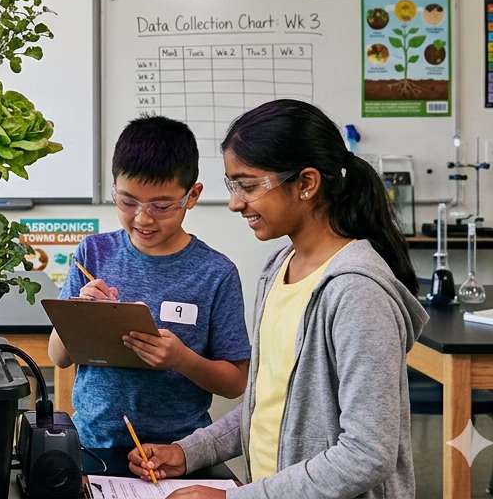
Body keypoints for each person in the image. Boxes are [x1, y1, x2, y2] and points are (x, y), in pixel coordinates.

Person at [129, 99, 426, 499]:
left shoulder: (356, 292)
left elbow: (366, 454)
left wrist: (232, 498)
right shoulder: (279, 267)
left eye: (248, 186)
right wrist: (187, 452)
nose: (236, 203)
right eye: (233, 186)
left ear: (305, 183)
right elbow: (268, 406)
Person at [47, 115, 250, 450]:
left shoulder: (216, 272)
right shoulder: (93, 252)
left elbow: (235, 383)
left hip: (181, 451)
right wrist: (79, 313)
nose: (142, 218)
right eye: (127, 202)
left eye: (162, 206)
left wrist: (182, 359)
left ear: (192, 196)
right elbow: (58, 357)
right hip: (92, 444)